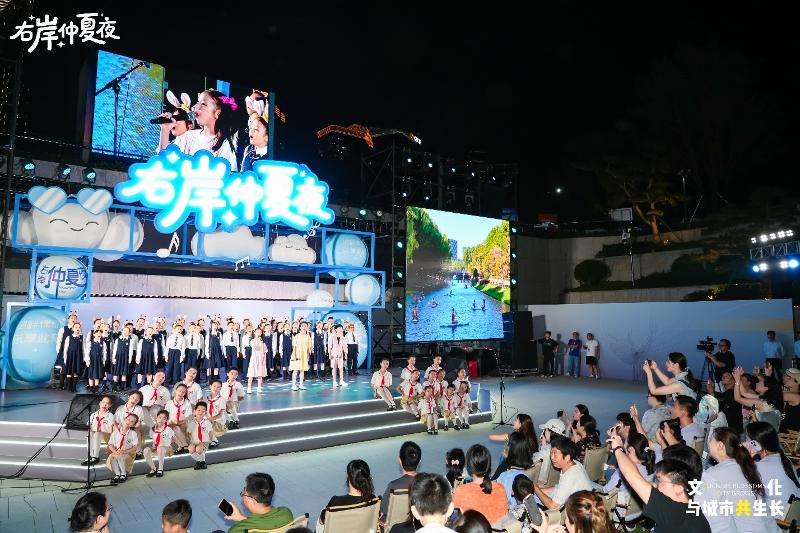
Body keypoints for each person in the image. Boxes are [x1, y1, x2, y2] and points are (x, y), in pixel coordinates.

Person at [608, 433, 711, 533]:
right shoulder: (695, 513)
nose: (654, 485)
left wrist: (617, 449)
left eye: (660, 481)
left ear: (679, 487)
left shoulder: (671, 513)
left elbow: (632, 476)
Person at [696, 427, 778, 533]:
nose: (708, 443)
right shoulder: (745, 467)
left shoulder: (713, 475)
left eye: (711, 439)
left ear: (720, 446)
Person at [158, 89, 239, 171]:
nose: (195, 107)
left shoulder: (225, 145)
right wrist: (165, 130)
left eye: (203, 104)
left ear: (217, 113)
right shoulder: (188, 136)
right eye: (197, 102)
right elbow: (164, 163)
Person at [745, 421, 800, 510]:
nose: (746, 443)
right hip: (792, 512)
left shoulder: (761, 466)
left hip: (778, 516)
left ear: (756, 444)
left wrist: (747, 458)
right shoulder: (784, 458)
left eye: (748, 440)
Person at [595, 432, 654, 511]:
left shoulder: (622, 472)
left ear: (631, 449)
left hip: (616, 511)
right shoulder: (651, 468)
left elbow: (605, 492)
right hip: (636, 512)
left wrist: (595, 491)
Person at [452, 444, 509, 524]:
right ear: (488, 465)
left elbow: (454, 521)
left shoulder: (461, 491)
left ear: (469, 467)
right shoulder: (500, 488)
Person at [532, 436, 592, 510]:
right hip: (582, 500)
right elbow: (559, 488)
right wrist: (539, 490)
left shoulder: (569, 475)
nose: (552, 457)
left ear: (567, 457)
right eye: (551, 453)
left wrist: (536, 489)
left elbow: (553, 506)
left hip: (578, 510)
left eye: (555, 454)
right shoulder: (575, 463)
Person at [223, 473, 293, 533]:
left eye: (244, 493)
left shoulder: (237, 530)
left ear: (252, 501)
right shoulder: (286, 513)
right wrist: (241, 517)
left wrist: (243, 522)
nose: (243, 494)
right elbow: (265, 524)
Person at [317, 459, 375, 529]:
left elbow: (322, 521)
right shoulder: (372, 499)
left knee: (323, 513)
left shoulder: (336, 502)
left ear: (348, 477)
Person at [490, 413, 539, 478]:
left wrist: (507, 456)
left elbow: (491, 437)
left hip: (514, 464)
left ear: (521, 424)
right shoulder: (532, 438)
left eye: (516, 420)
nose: (513, 422)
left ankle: (497, 476)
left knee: (502, 459)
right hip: (526, 464)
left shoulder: (514, 437)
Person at [381, 441, 421, 517]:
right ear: (419, 461)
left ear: (400, 461)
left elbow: (383, 511)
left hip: (399, 524)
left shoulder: (393, 486)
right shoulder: (428, 481)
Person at [495, 432, 534, 505]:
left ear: (511, 449)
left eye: (508, 444)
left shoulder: (505, 475)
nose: (505, 446)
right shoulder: (530, 467)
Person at [107, 413, 139, 484]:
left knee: (120, 455)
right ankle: (117, 474)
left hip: (129, 453)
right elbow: (110, 444)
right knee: (112, 457)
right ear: (124, 419)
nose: (129, 422)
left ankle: (123, 474)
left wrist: (125, 451)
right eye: (128, 419)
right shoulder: (116, 432)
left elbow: (135, 447)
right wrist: (115, 451)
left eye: (132, 422)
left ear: (133, 425)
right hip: (117, 451)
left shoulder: (133, 433)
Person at [83, 395, 115, 466]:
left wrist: (111, 441)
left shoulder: (110, 416)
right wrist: (89, 429)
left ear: (110, 405)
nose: (105, 405)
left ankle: (95, 457)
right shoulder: (93, 414)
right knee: (90, 433)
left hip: (105, 435)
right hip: (94, 433)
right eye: (103, 402)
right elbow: (88, 424)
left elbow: (111, 431)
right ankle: (90, 456)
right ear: (100, 403)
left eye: (107, 403)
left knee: (97, 433)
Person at [533, 418, 567, 484]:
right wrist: (544, 446)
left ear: (550, 432)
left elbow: (534, 467)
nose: (543, 432)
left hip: (541, 485)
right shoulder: (564, 448)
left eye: (545, 430)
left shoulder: (546, 451)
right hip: (556, 483)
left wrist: (543, 448)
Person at [143, 409, 175, 478]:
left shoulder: (168, 429)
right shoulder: (152, 429)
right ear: (156, 418)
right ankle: (153, 469)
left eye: (164, 418)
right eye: (160, 417)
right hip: (156, 447)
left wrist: (165, 442)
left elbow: (173, 439)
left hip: (166, 448)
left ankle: (160, 469)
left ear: (166, 420)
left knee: (160, 448)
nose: (161, 420)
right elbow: (154, 440)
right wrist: (154, 446)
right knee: (146, 450)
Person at [187, 401, 213, 470]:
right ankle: (199, 461)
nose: (200, 412)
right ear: (194, 411)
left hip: (204, 441)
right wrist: (191, 442)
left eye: (203, 411)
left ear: (205, 413)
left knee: (198, 449)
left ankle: (203, 461)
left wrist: (209, 441)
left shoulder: (207, 422)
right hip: (194, 441)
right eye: (198, 410)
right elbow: (189, 433)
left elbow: (210, 433)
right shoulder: (191, 422)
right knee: (191, 449)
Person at [166, 383, 191, 451]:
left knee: (179, 425)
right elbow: (166, 416)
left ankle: (182, 445)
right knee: (174, 427)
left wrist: (179, 422)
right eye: (179, 391)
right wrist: (171, 422)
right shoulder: (169, 403)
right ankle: (183, 444)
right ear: (176, 390)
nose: (181, 393)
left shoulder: (187, 402)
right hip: (172, 424)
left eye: (183, 392)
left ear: (185, 393)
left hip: (183, 424)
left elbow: (188, 417)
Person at [61, 322, 85, 392]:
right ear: (73, 329)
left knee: (76, 373)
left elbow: (83, 349)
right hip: (70, 357)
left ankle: (74, 388)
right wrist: (65, 359)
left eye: (79, 327)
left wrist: (84, 358)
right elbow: (65, 349)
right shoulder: (69, 337)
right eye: (76, 327)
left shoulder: (82, 337)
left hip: (78, 357)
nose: (77, 328)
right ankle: (69, 388)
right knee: (69, 373)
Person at [290, 321, 312, 391]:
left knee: (302, 370)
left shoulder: (308, 336)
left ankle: (301, 384)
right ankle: (293, 385)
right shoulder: (297, 336)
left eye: (305, 326)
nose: (304, 327)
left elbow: (308, 348)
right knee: (295, 370)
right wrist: (294, 355)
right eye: (302, 326)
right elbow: (294, 346)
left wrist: (308, 356)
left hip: (304, 355)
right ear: (300, 327)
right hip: (297, 355)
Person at [84, 329, 106, 393]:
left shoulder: (103, 343)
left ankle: (96, 388)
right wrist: (87, 361)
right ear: (94, 334)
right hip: (92, 361)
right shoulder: (90, 343)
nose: (99, 334)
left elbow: (104, 353)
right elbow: (87, 353)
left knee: (97, 375)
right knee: (91, 375)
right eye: (97, 333)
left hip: (99, 361)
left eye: (100, 333)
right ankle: (91, 388)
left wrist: (103, 361)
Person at [247, 327, 267, 394]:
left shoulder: (263, 341)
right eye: (258, 332)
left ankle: (259, 387)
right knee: (251, 374)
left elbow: (265, 351)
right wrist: (259, 340)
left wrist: (263, 358)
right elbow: (256, 348)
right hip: (254, 358)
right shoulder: (252, 340)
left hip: (261, 358)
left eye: (260, 332)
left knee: (260, 374)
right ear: (254, 333)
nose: (259, 333)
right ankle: (249, 388)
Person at [328, 324, 348, 388]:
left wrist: (345, 354)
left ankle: (341, 381)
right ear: (336, 329)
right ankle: (334, 381)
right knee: (334, 368)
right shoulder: (332, 336)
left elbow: (344, 346)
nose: (340, 329)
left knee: (341, 368)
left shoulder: (343, 337)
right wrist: (329, 354)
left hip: (340, 354)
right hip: (333, 354)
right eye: (339, 328)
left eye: (341, 328)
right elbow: (329, 346)